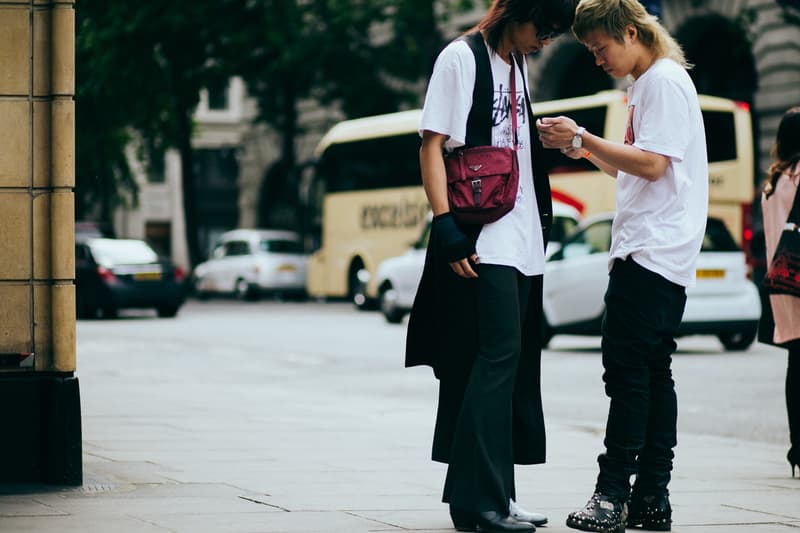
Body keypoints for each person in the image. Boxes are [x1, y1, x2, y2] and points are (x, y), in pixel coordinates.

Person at [536, 0, 708, 531]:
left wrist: (585, 138)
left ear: (630, 32)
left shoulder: (659, 82)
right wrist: (585, 151)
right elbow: (638, 172)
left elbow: (654, 166)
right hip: (661, 253)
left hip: (649, 253)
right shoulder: (653, 85)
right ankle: (652, 498)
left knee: (629, 376)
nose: (596, 59)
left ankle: (611, 497)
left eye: (599, 47)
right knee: (653, 375)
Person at [404, 1, 576, 532]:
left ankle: (495, 492)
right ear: (515, 12)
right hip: (486, 236)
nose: (544, 40)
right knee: (495, 359)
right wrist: (445, 225)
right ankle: (480, 502)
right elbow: (432, 145)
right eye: (541, 28)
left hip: (524, 236)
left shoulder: (515, 64)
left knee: (514, 364)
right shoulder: (460, 58)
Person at [760, 106, 800, 479]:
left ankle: (796, 445)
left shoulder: (773, 182)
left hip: (783, 287)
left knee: (795, 366)